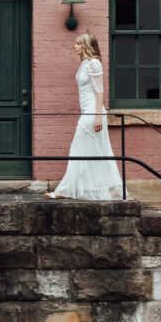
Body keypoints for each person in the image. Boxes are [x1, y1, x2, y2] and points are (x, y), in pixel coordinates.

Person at [45, 33, 123, 200]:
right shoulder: (84, 64)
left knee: (78, 149)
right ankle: (112, 190)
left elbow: (100, 92)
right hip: (87, 111)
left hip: (92, 112)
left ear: (86, 46)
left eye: (78, 43)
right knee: (99, 151)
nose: (75, 46)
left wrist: (96, 116)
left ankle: (64, 191)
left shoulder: (94, 64)